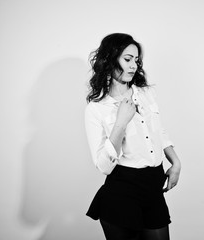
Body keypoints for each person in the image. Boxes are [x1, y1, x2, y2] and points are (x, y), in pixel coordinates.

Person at [84, 33, 181, 240]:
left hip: (154, 186)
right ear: (110, 59)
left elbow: (159, 131)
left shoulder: (146, 94)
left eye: (136, 60)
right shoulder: (97, 109)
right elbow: (103, 166)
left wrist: (175, 161)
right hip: (122, 192)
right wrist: (120, 123)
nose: (133, 66)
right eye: (127, 59)